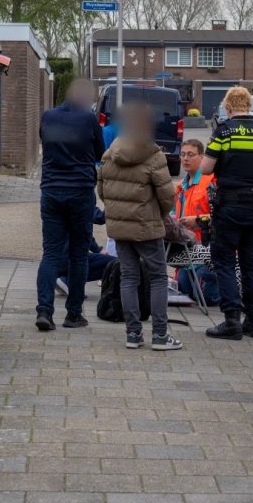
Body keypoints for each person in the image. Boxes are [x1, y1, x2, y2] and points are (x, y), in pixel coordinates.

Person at [97, 102, 183, 351]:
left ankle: (133, 335)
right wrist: (159, 214)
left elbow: (102, 190)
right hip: (147, 227)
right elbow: (167, 195)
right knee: (157, 278)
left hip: (120, 228)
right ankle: (159, 335)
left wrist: (119, 212)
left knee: (128, 278)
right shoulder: (154, 155)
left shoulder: (109, 154)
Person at [201, 86, 253, 340]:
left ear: (228, 108)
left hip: (230, 207)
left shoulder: (223, 132)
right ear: (249, 107)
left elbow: (205, 169)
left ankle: (232, 321)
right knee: (250, 264)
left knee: (224, 262)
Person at [35, 79, 105, 332]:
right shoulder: (88, 120)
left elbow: (44, 141)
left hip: (51, 192)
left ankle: (44, 310)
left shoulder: (48, 116)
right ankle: (73, 314)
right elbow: (100, 153)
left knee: (51, 254)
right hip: (80, 193)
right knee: (78, 255)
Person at [172, 138, 220, 305]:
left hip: (209, 251)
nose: (185, 158)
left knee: (206, 297)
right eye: (183, 154)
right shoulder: (180, 186)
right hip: (187, 250)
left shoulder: (212, 182)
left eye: (190, 155)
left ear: (202, 157)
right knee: (185, 291)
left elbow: (223, 218)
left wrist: (199, 221)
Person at [56, 207, 118, 291]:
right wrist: (116, 203)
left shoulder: (56, 201)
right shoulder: (82, 200)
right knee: (115, 264)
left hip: (53, 260)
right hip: (71, 257)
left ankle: (63, 279)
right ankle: (68, 281)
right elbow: (100, 217)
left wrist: (98, 250)